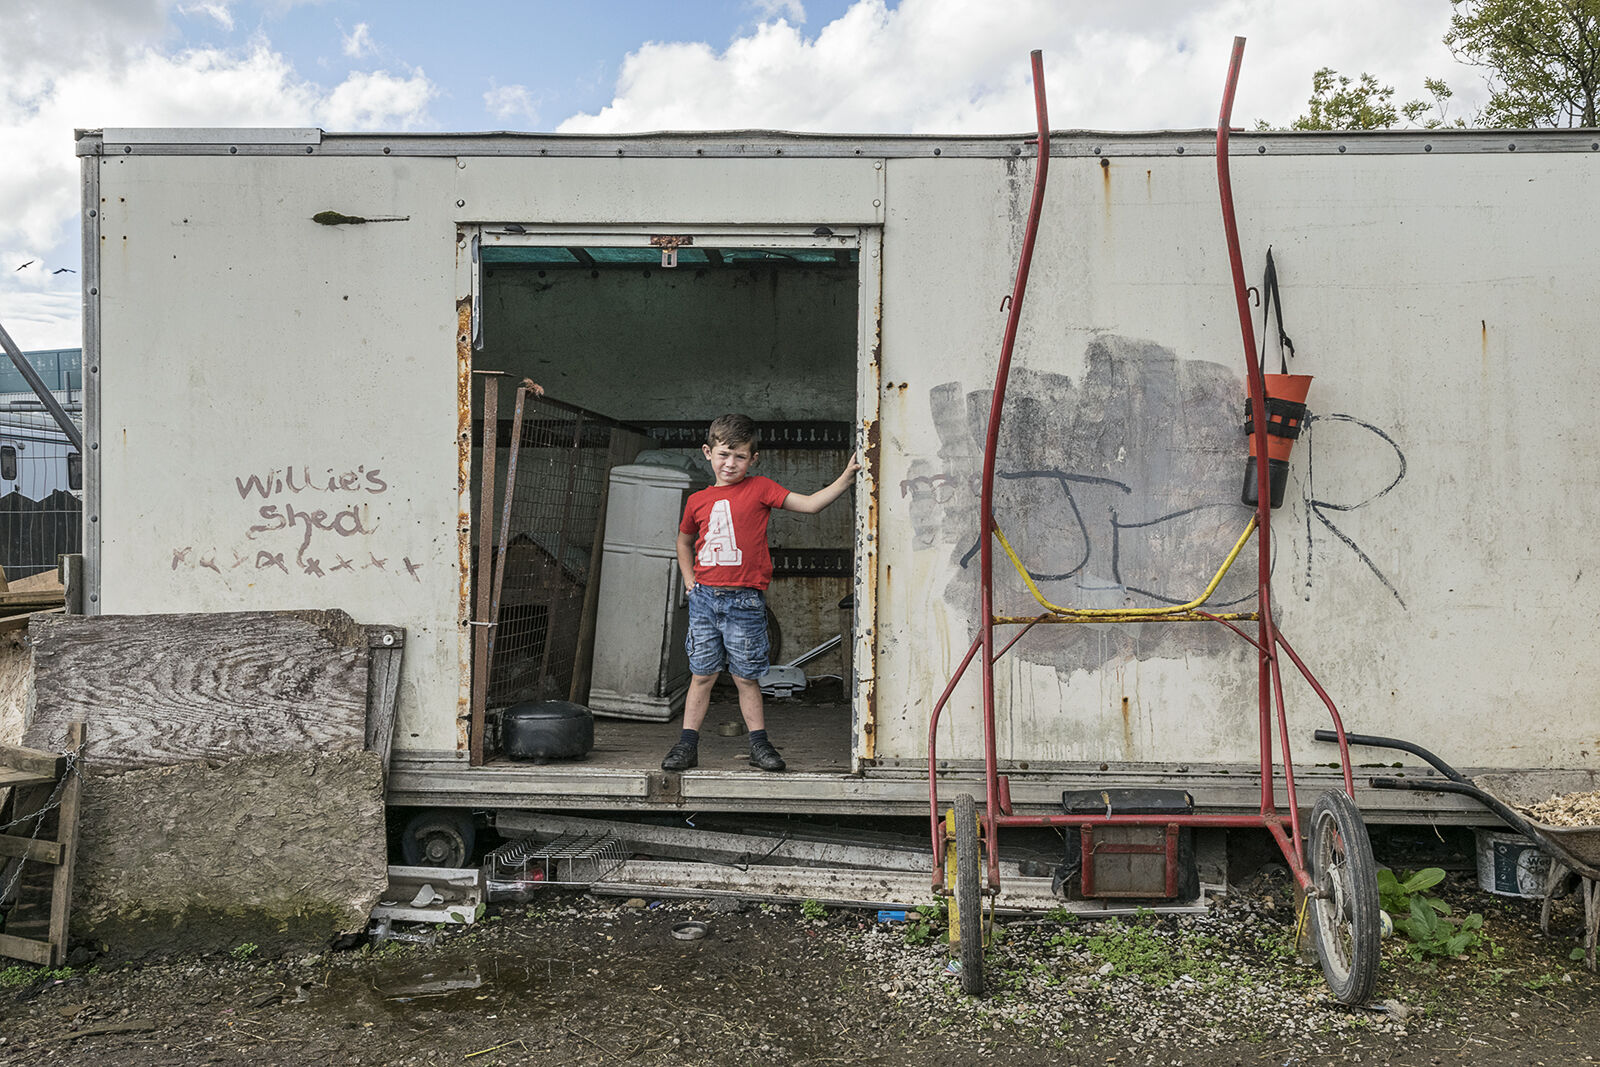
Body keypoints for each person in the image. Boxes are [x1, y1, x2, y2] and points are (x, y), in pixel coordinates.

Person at [661, 413, 860, 773]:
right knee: (702, 675)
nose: (730, 463)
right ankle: (686, 746)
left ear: (753, 459)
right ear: (708, 452)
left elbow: (811, 504)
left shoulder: (761, 488)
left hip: (744, 601)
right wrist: (689, 578)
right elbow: (684, 540)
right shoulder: (698, 501)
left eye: (739, 456)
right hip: (705, 599)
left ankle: (759, 745)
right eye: (723, 454)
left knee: (745, 677)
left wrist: (846, 478)